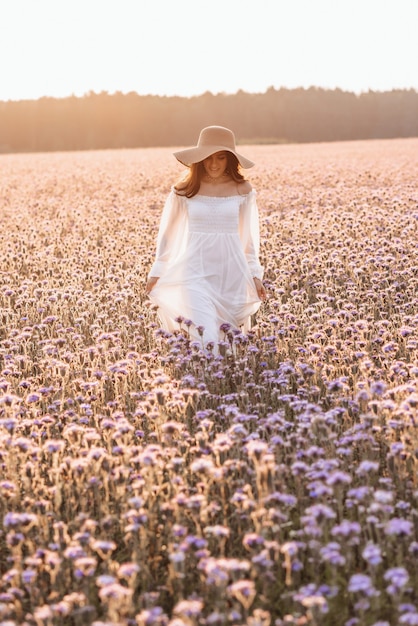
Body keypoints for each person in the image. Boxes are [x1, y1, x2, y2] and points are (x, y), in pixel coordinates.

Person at [146, 125, 266, 351]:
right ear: (199, 159)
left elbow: (248, 241)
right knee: (206, 338)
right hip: (194, 272)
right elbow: (168, 235)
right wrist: (157, 270)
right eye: (208, 157)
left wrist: (255, 275)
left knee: (227, 343)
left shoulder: (243, 190)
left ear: (230, 160)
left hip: (231, 274)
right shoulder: (184, 190)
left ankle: (218, 385)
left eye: (220, 158)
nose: (213, 164)